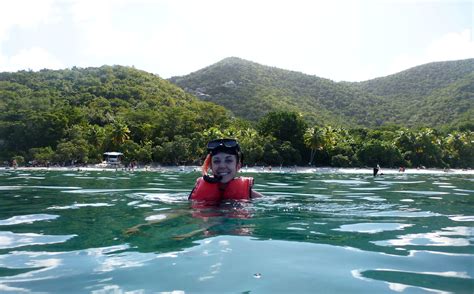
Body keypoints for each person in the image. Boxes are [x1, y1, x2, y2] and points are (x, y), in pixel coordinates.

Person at [189, 138, 263, 203]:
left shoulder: (252, 196)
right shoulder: (197, 192)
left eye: (229, 160)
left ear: (238, 166)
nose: (222, 166)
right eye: (216, 161)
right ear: (210, 166)